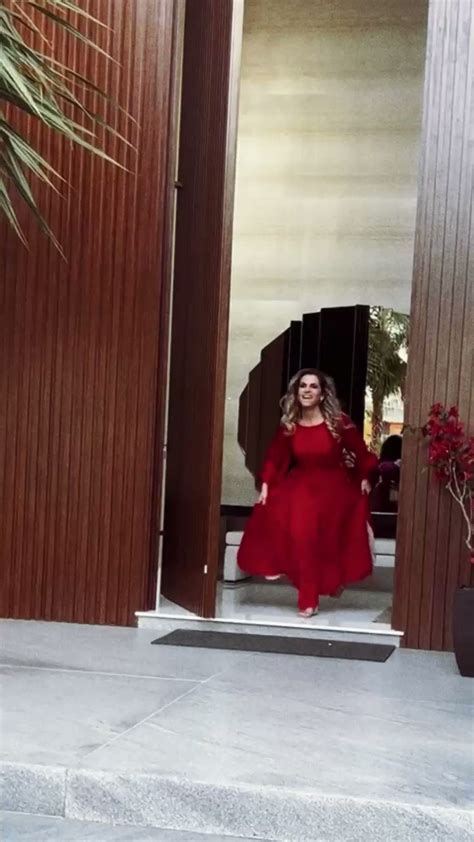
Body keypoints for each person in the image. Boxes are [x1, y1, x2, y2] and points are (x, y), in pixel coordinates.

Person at [237, 369, 378, 617]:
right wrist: (266, 484)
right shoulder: (289, 425)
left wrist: (365, 476)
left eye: (313, 386)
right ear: (296, 391)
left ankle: (329, 582)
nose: (307, 390)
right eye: (303, 386)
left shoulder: (339, 422)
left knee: (326, 543)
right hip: (301, 488)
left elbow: (361, 452)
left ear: (322, 395)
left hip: (334, 491)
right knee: (303, 538)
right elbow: (274, 457)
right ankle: (308, 599)